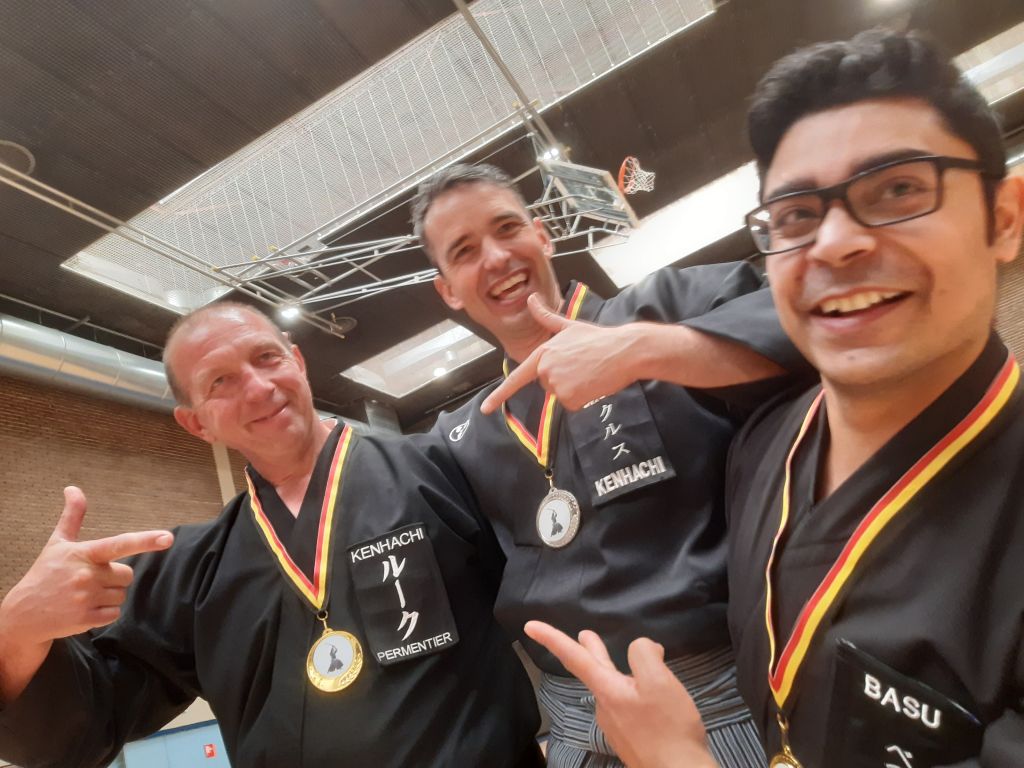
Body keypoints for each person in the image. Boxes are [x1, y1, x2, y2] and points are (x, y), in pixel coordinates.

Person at [527, 29, 1024, 768]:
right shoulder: (763, 445)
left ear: (1004, 218)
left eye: (898, 189)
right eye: (795, 216)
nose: (835, 243)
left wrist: (677, 760)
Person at [0, 302, 544, 767]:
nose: (258, 388)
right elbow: (79, 727)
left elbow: (560, 572)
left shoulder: (441, 467)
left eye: (266, 358)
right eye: (220, 382)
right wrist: (18, 630)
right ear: (197, 423)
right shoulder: (187, 571)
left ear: (298, 361)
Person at [411, 163, 807, 766]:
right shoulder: (459, 435)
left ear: (543, 235)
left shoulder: (663, 307)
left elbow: (815, 324)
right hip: (575, 724)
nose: (495, 257)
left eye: (507, 228)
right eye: (464, 251)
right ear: (449, 291)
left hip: (719, 699)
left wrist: (648, 348)